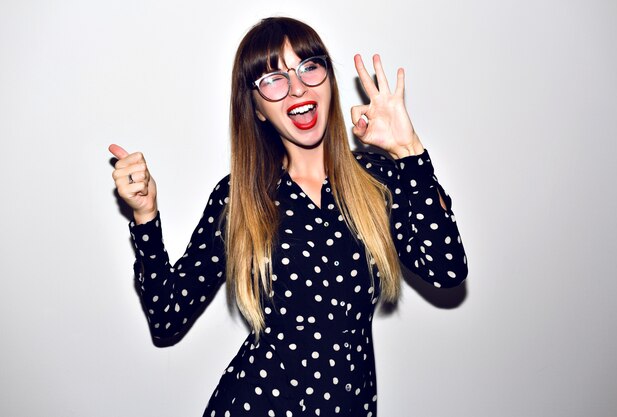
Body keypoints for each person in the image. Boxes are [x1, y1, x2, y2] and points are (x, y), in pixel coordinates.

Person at [109, 16, 467, 417]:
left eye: (308, 67)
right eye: (273, 79)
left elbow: (447, 270)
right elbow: (167, 319)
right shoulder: (239, 198)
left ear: (328, 79)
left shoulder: (376, 180)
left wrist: (408, 150)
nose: (297, 87)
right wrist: (145, 216)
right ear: (258, 109)